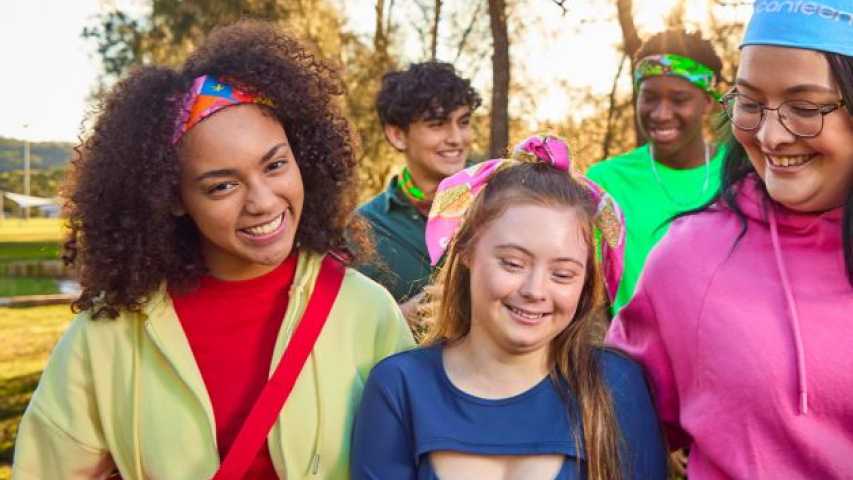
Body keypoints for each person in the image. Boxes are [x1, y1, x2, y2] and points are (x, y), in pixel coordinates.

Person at [12, 21, 414, 479]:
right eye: (222, 185)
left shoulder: (367, 312)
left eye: (275, 164)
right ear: (175, 199)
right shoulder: (109, 333)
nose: (263, 200)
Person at [606, 1, 853, 478]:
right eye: (750, 102)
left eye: (804, 108)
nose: (770, 135)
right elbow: (608, 422)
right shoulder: (689, 255)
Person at [351, 136, 666, 480]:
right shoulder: (400, 387)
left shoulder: (616, 386)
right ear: (467, 251)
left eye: (562, 274)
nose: (534, 291)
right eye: (513, 263)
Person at [586, 29, 727, 313]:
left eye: (679, 99)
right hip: (627, 353)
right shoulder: (606, 182)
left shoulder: (742, 176)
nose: (661, 113)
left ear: (708, 102)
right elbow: (588, 286)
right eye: (649, 97)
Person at [356, 62, 481, 321]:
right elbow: (342, 325)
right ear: (398, 135)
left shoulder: (502, 200)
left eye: (464, 122)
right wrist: (401, 317)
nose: (456, 138)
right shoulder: (362, 228)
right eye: (437, 124)